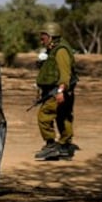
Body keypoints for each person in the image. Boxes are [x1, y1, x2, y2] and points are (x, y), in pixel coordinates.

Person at [34, 22, 79, 160]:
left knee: (44, 115)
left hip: (58, 91)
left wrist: (60, 91)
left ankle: (51, 145)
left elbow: (65, 74)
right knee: (63, 117)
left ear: (51, 36)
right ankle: (64, 147)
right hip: (58, 91)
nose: (41, 40)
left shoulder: (61, 51)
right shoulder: (53, 50)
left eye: (43, 37)